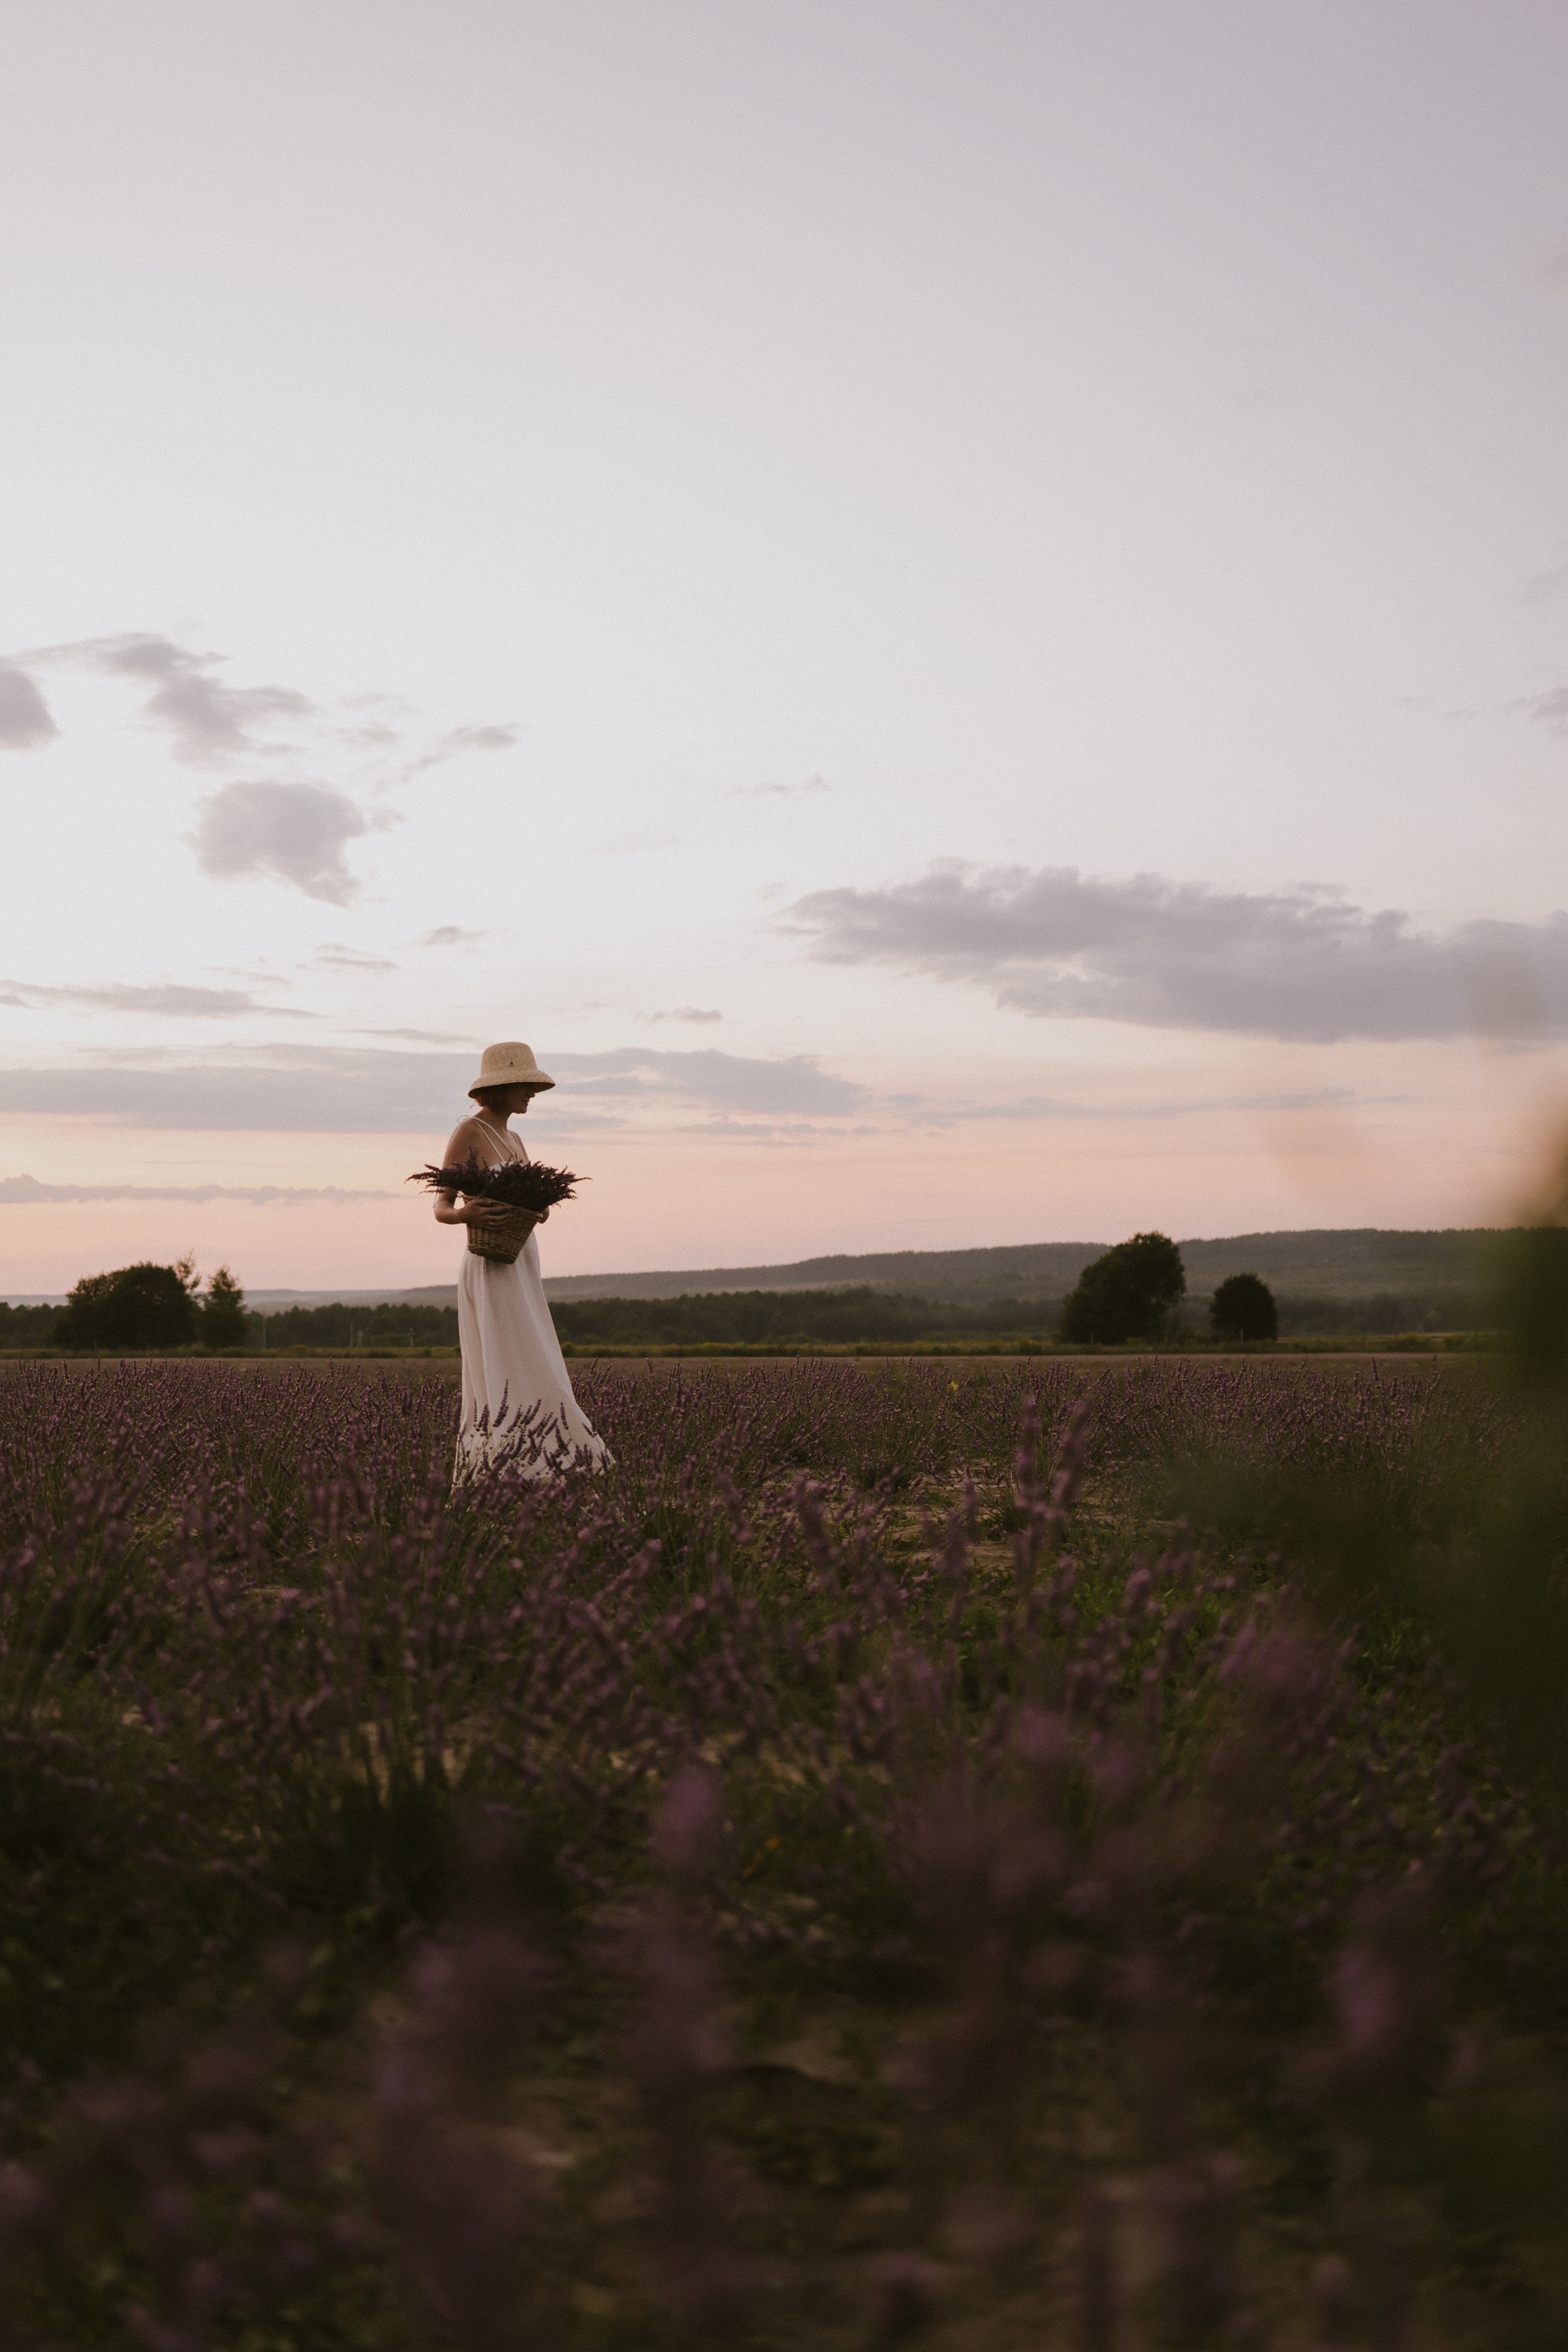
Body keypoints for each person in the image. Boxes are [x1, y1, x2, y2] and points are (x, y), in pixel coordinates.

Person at [432, 1040, 609, 1479]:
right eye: (525, 1085)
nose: (532, 1093)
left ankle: (550, 1457)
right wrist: (465, 1215)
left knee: (535, 1349)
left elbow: (540, 1211)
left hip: (523, 1257)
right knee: (503, 1355)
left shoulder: (515, 1137)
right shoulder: (469, 1132)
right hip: (489, 1261)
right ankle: (506, 1464)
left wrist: (539, 1204)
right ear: (503, 1087)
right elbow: (442, 1206)